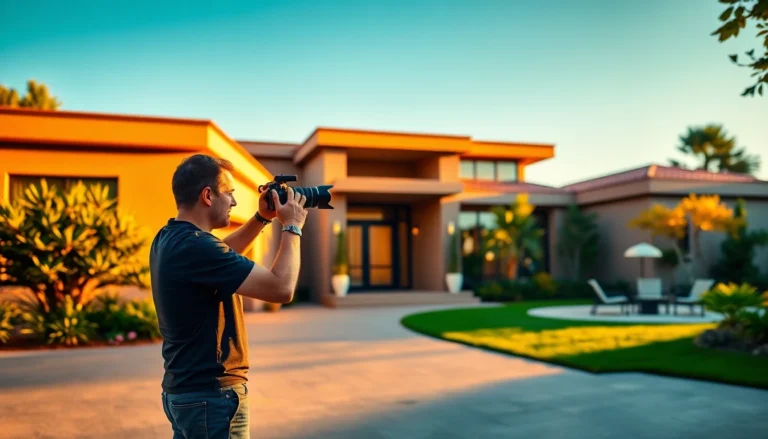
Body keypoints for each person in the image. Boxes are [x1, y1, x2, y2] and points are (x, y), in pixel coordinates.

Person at [150, 154, 307, 439]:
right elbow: (281, 288)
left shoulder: (170, 237)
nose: (233, 202)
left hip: (186, 393)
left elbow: (222, 255)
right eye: (230, 194)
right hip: (212, 398)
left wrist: (262, 218)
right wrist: (292, 226)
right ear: (208, 196)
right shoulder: (197, 247)